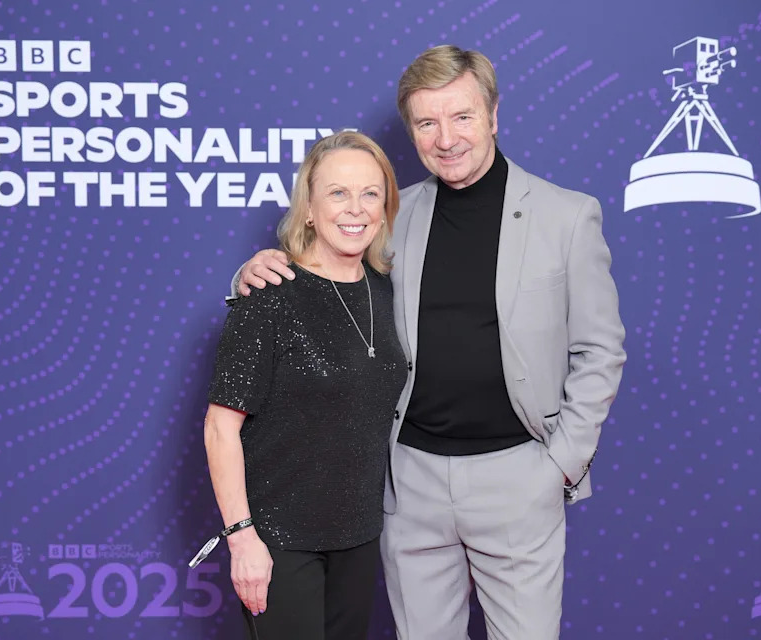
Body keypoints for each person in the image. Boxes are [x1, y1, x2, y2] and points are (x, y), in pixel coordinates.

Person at [233, 46, 626, 640]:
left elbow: (600, 351)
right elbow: (320, 276)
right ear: (412, 131)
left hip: (519, 474)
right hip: (408, 481)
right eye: (427, 123)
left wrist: (559, 465)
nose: (446, 138)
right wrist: (252, 275)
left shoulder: (567, 216)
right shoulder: (394, 214)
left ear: (493, 115)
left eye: (462, 117)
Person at [204, 131, 407, 640]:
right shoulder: (269, 296)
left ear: (385, 208)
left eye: (370, 193)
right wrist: (241, 538)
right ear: (310, 208)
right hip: (279, 542)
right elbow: (219, 429)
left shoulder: (387, 293)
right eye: (337, 192)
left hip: (359, 538)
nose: (355, 208)